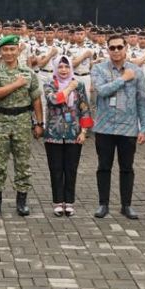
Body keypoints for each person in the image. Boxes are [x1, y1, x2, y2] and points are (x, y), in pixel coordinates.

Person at [90, 33, 145, 220]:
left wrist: (144, 127)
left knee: (127, 168)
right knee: (104, 167)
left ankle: (126, 205)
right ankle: (103, 204)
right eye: (112, 47)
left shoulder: (137, 71)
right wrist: (123, 78)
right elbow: (102, 91)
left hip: (128, 127)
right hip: (104, 127)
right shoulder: (98, 69)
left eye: (119, 47)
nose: (116, 51)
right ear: (107, 50)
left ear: (126, 49)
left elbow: (142, 101)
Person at [0, 34, 43, 216]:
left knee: (23, 163)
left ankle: (22, 201)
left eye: (12, 49)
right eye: (5, 50)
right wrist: (16, 84)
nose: (9, 53)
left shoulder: (29, 73)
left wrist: (39, 123)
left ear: (18, 50)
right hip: (1, 120)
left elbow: (36, 99)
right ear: (0, 52)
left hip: (22, 120)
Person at [42, 55, 92, 216]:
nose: (64, 70)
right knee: (56, 169)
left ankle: (69, 202)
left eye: (67, 67)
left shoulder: (80, 84)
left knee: (71, 169)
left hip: (74, 133)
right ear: (56, 68)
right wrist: (69, 88)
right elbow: (53, 100)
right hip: (53, 134)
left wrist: (84, 132)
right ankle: (57, 202)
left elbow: (84, 108)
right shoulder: (50, 83)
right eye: (61, 67)